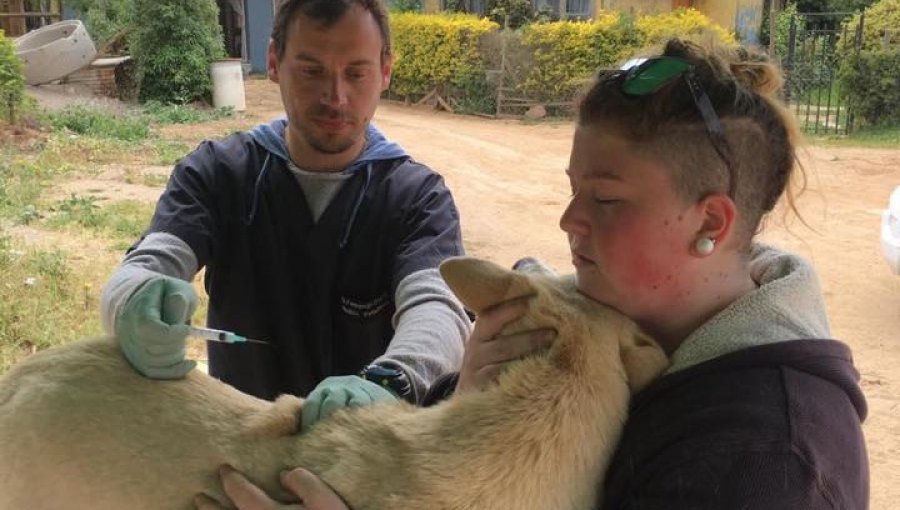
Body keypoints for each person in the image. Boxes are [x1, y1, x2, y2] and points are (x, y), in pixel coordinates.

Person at [194, 38, 869, 510]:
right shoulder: (583, 324)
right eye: (573, 189)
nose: (570, 220)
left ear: (711, 224)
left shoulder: (773, 465)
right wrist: (465, 407)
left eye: (605, 199)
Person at [101, 0, 472, 426]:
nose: (336, 97)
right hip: (240, 447)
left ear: (385, 70)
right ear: (274, 62)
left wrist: (390, 381)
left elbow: (438, 308)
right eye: (312, 71)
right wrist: (131, 302)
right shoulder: (218, 173)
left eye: (356, 72)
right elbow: (149, 263)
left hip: (365, 456)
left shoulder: (416, 197)